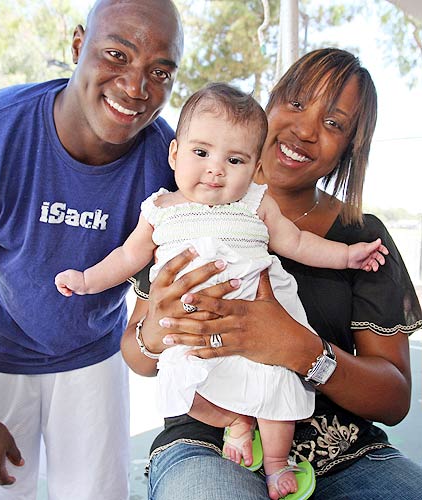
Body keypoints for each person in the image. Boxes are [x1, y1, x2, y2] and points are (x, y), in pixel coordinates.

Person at [55, 82, 387, 499]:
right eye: (201, 153)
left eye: (234, 159)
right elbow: (126, 256)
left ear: (253, 168)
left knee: (276, 388)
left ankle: (276, 464)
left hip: (263, 319)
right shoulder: (159, 210)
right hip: (193, 326)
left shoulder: (255, 204)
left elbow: (297, 243)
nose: (216, 169)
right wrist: (86, 280)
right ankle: (234, 421)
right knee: (181, 386)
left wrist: (346, 255)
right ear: (174, 153)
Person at [120, 48, 422, 500]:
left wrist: (303, 350)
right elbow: (138, 357)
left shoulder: (359, 239)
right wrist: (157, 330)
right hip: (210, 440)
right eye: (297, 103)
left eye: (334, 123)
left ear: (350, 147)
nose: (305, 129)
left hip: (345, 453)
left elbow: (394, 400)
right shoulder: (186, 210)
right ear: (270, 104)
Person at [0, 1, 183, 499]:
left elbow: (158, 296)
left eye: (159, 71)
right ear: (76, 45)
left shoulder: (171, 167)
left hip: (93, 353)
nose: (135, 88)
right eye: (116, 54)